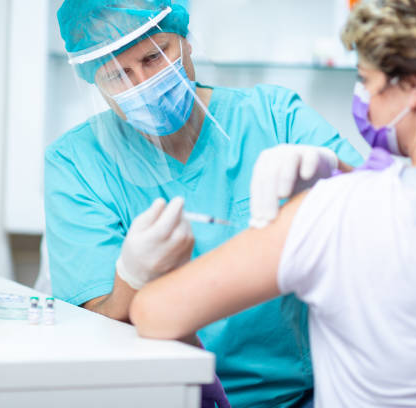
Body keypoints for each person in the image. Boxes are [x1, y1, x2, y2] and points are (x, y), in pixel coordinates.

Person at [130, 0, 416, 407]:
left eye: (367, 80)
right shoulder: (345, 204)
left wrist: (135, 270)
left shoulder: (333, 213)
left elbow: (156, 312)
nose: (365, 100)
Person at [44, 1, 363, 406]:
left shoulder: (273, 116)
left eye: (154, 56)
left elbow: (381, 213)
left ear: (186, 41)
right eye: (117, 75)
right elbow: (94, 333)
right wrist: (130, 278)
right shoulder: (77, 163)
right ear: (94, 81)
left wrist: (334, 170)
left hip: (299, 396)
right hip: (165, 397)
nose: (143, 82)